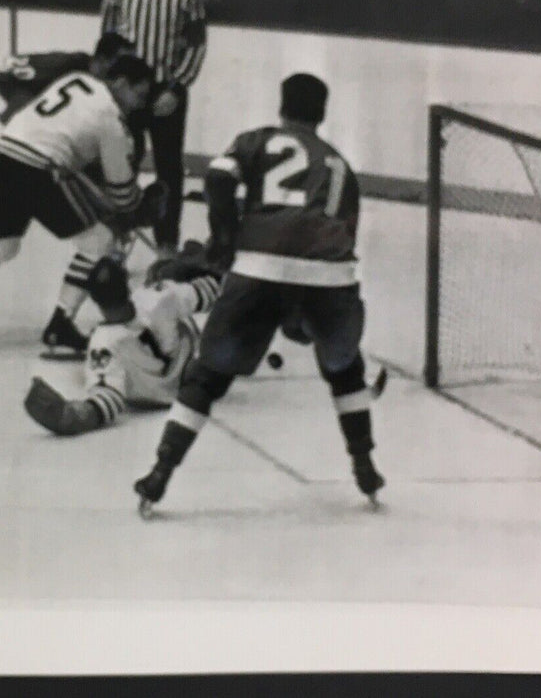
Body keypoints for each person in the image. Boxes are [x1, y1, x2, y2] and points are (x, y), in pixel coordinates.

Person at [133, 73, 385, 515]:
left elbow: (217, 177)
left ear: (281, 107)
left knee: (207, 377)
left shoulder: (258, 141)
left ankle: (159, 474)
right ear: (322, 115)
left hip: (260, 268)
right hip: (330, 278)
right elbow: (343, 240)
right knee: (347, 370)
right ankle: (365, 466)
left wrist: (225, 236)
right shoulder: (341, 164)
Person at [0, 54, 164, 354]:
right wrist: (141, 204)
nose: (139, 103)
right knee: (99, 241)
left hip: (0, 158)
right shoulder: (112, 120)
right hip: (37, 169)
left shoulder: (76, 80)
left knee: (1, 242)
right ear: (119, 84)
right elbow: (122, 195)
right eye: (139, 94)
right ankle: (60, 326)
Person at [22, 245, 222, 436]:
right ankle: (194, 256)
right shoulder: (158, 296)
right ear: (127, 286)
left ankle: (189, 258)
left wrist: (71, 416)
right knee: (165, 273)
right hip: (190, 366)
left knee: (167, 272)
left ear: (96, 301)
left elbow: (108, 397)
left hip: (154, 395)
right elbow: (211, 291)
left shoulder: (103, 343)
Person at [100, 0, 208, 256]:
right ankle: (117, 237)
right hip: (130, 90)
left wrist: (176, 88)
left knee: (169, 169)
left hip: (166, 90)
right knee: (122, 164)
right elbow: (109, 39)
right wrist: (116, 84)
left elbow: (196, 45)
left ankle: (166, 244)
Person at [0, 32, 134, 127]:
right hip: (13, 140)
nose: (127, 68)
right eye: (123, 61)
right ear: (103, 60)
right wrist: (27, 112)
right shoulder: (66, 65)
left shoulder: (105, 86)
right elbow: (2, 73)